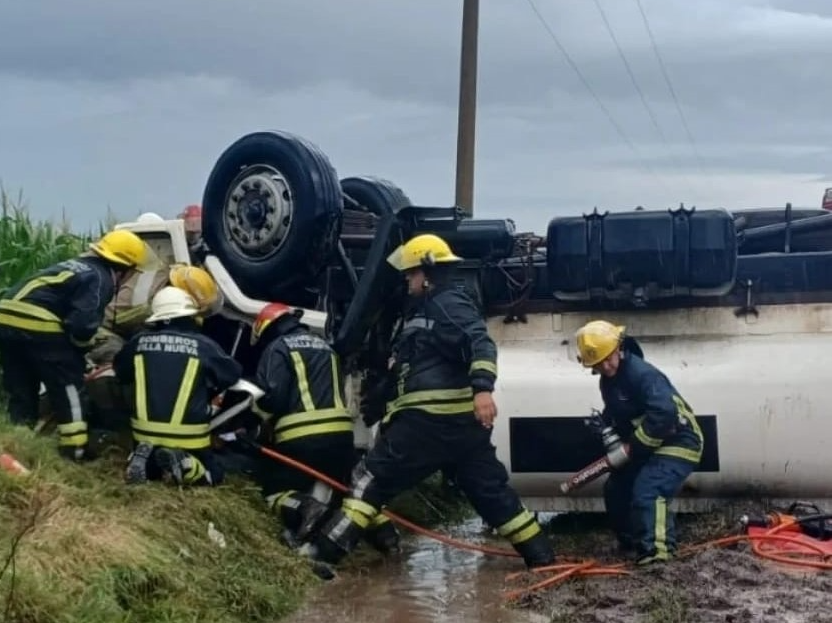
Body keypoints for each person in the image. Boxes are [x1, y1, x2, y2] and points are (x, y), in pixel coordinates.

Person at [301, 233, 556, 569]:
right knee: (494, 497)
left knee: (369, 482)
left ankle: (322, 555)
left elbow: (480, 343)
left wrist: (483, 389)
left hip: (425, 424)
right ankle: (542, 558)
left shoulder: (448, 304)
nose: (407, 280)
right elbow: (409, 371)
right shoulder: (424, 313)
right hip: (459, 429)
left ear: (428, 272)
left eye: (411, 274)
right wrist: (378, 403)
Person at [0, 229, 157, 460]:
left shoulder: (74, 265)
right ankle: (74, 450)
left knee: (22, 389)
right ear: (124, 268)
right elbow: (82, 324)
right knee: (69, 387)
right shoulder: (101, 277)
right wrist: (81, 353)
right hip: (38, 326)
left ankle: (19, 445)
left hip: (4, 321)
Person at [248, 302, 399, 554]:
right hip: (341, 438)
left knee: (273, 489)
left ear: (267, 329)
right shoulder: (326, 347)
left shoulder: (278, 347)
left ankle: (306, 508)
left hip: (300, 438)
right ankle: (387, 535)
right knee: (351, 491)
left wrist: (253, 419)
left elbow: (273, 397)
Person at [574, 319, 704, 564]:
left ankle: (657, 553)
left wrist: (632, 447)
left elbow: (664, 414)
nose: (606, 365)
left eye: (608, 357)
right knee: (616, 489)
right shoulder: (609, 382)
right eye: (598, 363)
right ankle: (632, 542)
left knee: (649, 489)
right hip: (649, 445)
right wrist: (606, 425)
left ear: (618, 348)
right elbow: (622, 413)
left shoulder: (642, 374)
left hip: (680, 440)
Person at [114, 286, 242, 486]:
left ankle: (144, 461)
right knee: (214, 473)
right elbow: (232, 374)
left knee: (157, 466)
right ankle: (186, 465)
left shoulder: (138, 342)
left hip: (143, 433)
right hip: (189, 437)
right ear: (188, 315)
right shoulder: (203, 345)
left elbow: (120, 373)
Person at [88, 262, 223, 365]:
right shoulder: (145, 306)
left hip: (118, 318)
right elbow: (149, 336)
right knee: (130, 362)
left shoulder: (173, 273)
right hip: (104, 330)